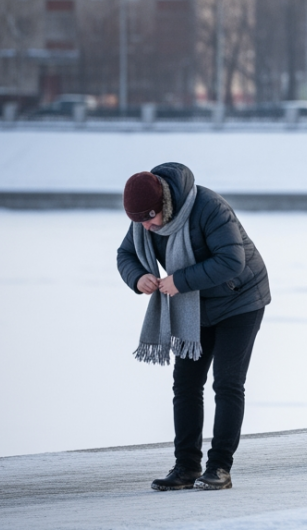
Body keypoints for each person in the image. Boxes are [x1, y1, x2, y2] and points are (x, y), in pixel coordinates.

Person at [116, 162, 271, 491]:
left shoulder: (209, 208)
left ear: (165, 206)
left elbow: (232, 261)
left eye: (149, 219)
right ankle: (186, 467)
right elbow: (125, 254)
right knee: (185, 384)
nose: (145, 228)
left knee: (227, 384)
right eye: (138, 221)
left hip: (240, 300)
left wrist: (179, 281)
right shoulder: (144, 219)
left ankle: (219, 468)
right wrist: (138, 277)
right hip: (196, 308)